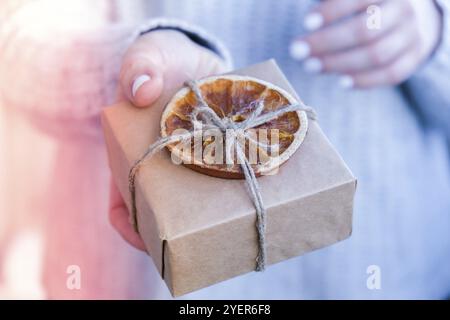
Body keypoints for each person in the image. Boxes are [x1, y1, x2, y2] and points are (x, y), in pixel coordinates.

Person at [0, 0, 449, 299]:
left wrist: (433, 26)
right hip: (144, 274)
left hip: (379, 263)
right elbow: (15, 36)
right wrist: (125, 68)